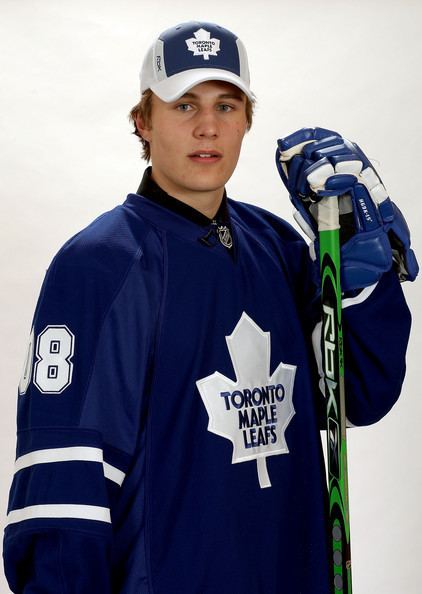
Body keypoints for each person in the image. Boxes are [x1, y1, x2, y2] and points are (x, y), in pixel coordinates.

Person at [2, 20, 417, 594]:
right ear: (143, 121)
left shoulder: (278, 246)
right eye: (183, 104)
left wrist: (362, 280)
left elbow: (362, 395)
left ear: (248, 120)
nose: (207, 126)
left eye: (227, 105)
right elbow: (63, 498)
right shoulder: (101, 265)